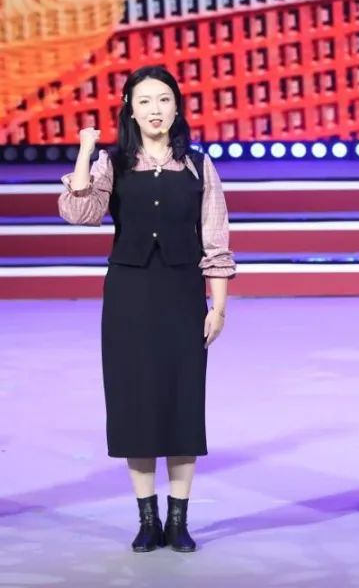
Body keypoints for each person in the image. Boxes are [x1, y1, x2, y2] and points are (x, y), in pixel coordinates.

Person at [58, 65, 236, 552]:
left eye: (163, 100)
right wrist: (85, 151)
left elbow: (216, 239)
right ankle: (147, 519)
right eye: (144, 101)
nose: (155, 110)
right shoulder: (113, 164)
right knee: (134, 404)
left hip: (182, 294)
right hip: (129, 297)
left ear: (176, 107)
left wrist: (218, 307)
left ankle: (178, 520)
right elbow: (80, 213)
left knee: (182, 404)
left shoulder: (198, 165)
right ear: (130, 111)